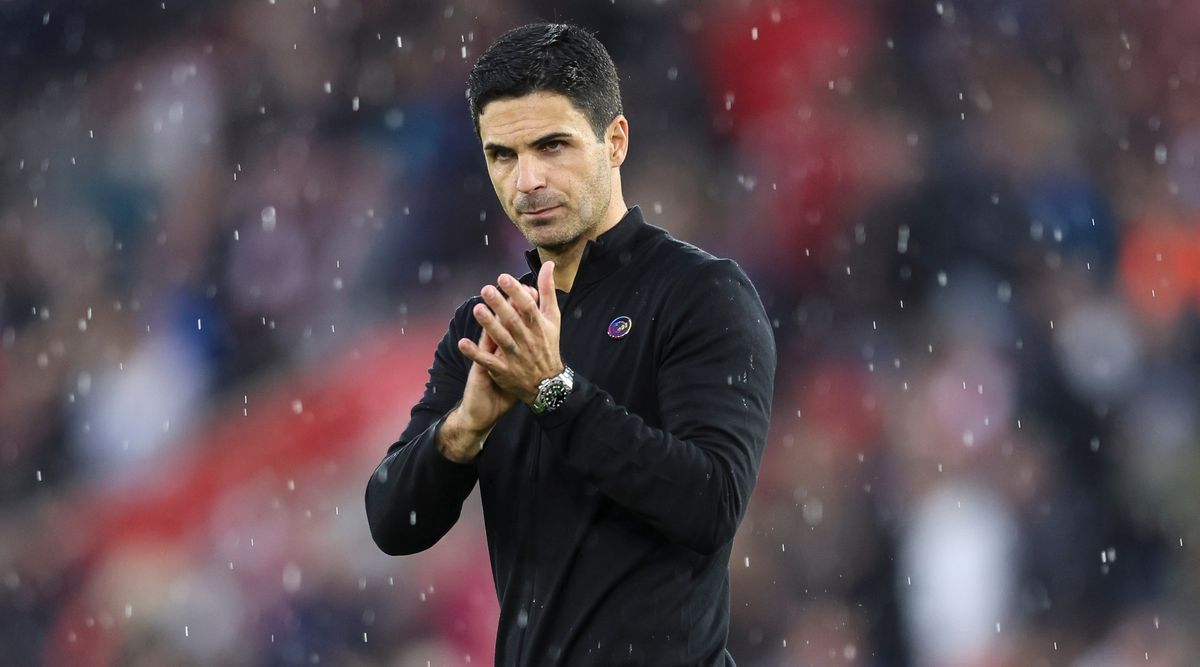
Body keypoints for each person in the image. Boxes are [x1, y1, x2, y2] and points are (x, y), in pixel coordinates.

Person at [365, 23, 776, 666]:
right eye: (502, 154)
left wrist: (553, 394)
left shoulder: (701, 294)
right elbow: (392, 522)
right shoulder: (490, 322)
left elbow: (711, 503)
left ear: (615, 140)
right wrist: (462, 431)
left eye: (552, 145)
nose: (527, 180)